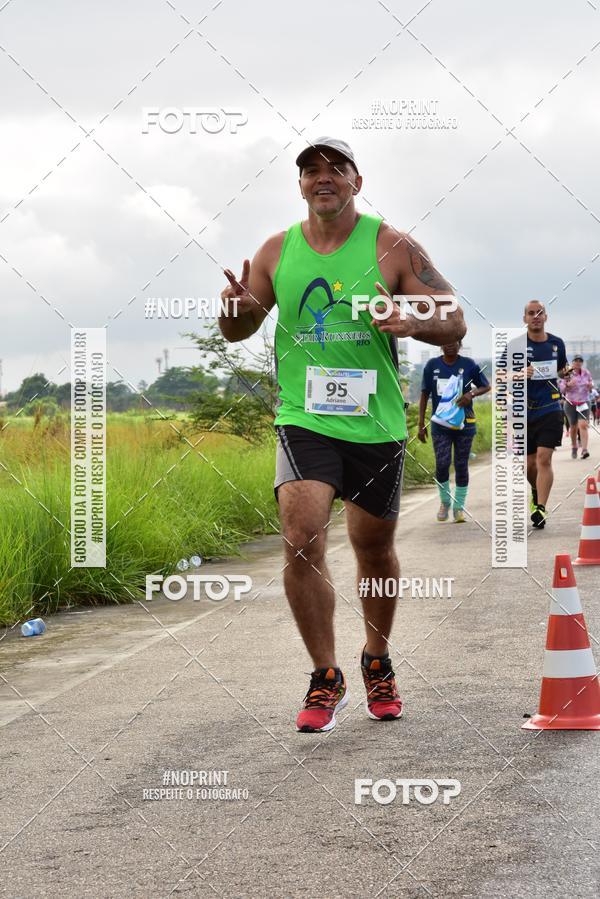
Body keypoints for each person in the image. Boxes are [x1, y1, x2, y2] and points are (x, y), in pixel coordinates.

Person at [219, 137, 465, 732]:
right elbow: (240, 327)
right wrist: (233, 308)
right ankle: (325, 676)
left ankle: (376, 660)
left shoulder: (393, 247)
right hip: (303, 418)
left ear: (357, 179)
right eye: (310, 171)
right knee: (302, 536)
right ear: (300, 186)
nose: (322, 178)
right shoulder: (277, 250)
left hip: (375, 420)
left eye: (336, 169)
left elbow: (453, 316)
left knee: (373, 547)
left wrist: (412, 320)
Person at [418, 341, 490, 522]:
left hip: (464, 423)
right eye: (446, 342)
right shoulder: (432, 365)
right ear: (440, 345)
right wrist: (421, 423)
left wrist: (470, 394)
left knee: (461, 464)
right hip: (440, 424)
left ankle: (459, 507)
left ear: (460, 344)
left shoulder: (469, 364)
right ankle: (445, 502)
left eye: (454, 342)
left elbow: (486, 386)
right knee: (442, 463)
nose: (450, 345)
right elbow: (425, 394)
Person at [524, 301, 570, 529]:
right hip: (524, 412)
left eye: (540, 312)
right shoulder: (516, 345)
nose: (536, 316)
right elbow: (501, 376)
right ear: (525, 318)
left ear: (546, 317)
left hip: (551, 408)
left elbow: (563, 368)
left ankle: (540, 508)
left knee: (544, 458)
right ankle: (535, 491)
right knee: (530, 465)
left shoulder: (556, 343)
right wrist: (522, 373)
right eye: (531, 313)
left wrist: (566, 373)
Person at [561, 355, 593, 459]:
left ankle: (584, 450)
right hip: (570, 403)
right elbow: (561, 389)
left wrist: (590, 386)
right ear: (572, 362)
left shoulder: (586, 373)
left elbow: (590, 385)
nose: (578, 363)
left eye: (580, 361)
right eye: (576, 361)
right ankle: (574, 446)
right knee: (573, 427)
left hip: (584, 402)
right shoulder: (567, 373)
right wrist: (568, 385)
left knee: (583, 425)